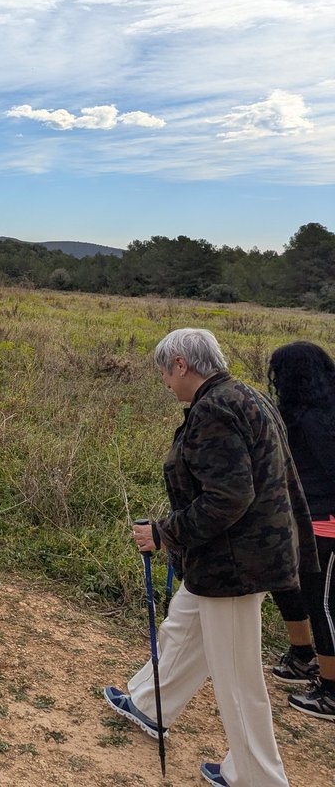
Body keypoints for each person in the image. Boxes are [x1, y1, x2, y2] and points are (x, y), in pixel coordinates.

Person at [103, 328, 317, 787]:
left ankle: (257, 776)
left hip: (237, 563)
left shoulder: (215, 411)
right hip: (238, 555)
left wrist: (164, 533)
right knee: (183, 626)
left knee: (239, 677)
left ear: (181, 363)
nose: (164, 382)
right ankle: (149, 704)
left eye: (165, 371)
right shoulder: (246, 395)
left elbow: (228, 497)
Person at [267, 341, 335, 721]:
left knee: (323, 604)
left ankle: (331, 691)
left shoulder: (316, 420)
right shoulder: (306, 413)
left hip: (324, 524)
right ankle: (303, 655)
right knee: (290, 587)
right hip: (303, 519)